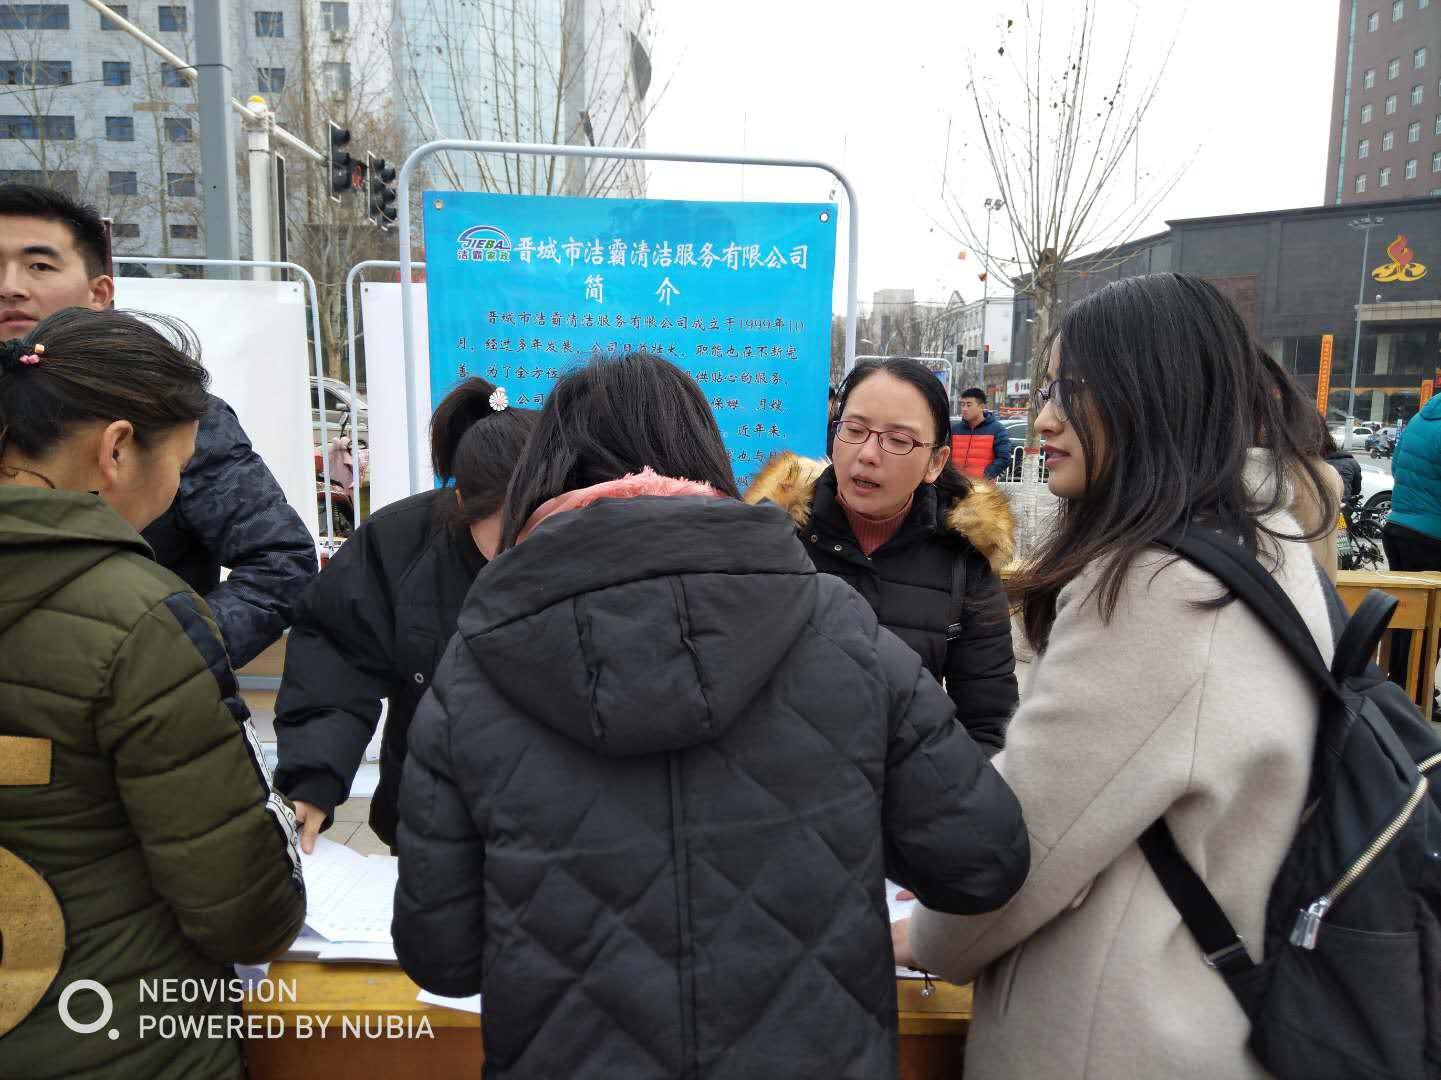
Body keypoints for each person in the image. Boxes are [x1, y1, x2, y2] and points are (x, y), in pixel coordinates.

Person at [393, 352, 1028, 1079]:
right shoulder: (840, 629)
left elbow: (442, 958)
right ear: (704, 456)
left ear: (546, 471)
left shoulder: (475, 667)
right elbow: (984, 862)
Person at [894, 274, 1340, 1079]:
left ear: (1152, 395)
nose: (1044, 418)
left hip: (1109, 1032)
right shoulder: (1265, 547)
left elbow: (1022, 845)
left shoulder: (1159, 589)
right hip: (1213, 1003)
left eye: (1073, 389)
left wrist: (924, 936)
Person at [0, 308, 305, 1078]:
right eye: (180, 464)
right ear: (116, 450)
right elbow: (243, 910)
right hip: (117, 1035)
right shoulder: (141, 618)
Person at [0, 183, 316, 667]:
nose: (10, 287)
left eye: (39, 265)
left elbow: (280, 562)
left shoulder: (171, 414)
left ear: (99, 292)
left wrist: (166, 655)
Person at [274, 378, 536, 853]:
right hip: (430, 819)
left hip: (552, 825)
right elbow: (336, 658)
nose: (526, 545)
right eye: (509, 528)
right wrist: (314, 776)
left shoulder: (585, 541)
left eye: (538, 521)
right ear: (464, 503)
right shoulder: (399, 542)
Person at [746, 357, 1018, 754]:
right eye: (855, 430)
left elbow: (989, 727)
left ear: (935, 462)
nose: (868, 454)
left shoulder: (965, 561)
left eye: (899, 440)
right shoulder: (771, 538)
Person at [949, 386, 1013, 480]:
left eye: (969, 405)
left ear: (981, 407)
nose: (964, 409)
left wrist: (985, 475)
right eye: (962, 405)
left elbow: (1004, 458)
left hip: (981, 486)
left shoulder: (997, 429)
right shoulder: (955, 430)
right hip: (955, 484)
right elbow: (946, 455)